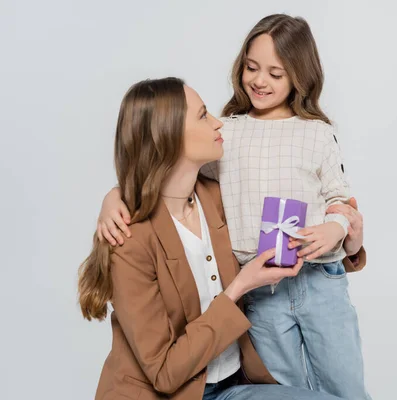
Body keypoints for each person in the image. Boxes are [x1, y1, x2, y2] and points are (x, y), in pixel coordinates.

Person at [97, 14, 370, 400]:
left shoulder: (308, 138)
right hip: (246, 311)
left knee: (343, 389)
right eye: (252, 67)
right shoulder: (225, 140)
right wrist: (114, 197)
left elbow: (335, 204)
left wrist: (343, 236)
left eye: (277, 73)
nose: (259, 81)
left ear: (299, 76)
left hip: (306, 289)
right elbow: (158, 170)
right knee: (290, 384)